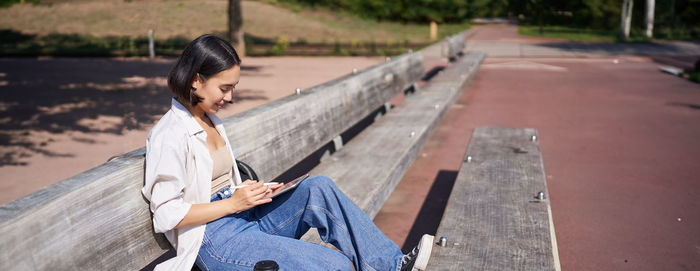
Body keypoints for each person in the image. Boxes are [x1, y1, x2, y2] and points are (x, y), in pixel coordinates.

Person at [142, 34, 433, 271]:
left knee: (317, 188)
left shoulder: (209, 119)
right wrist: (233, 203)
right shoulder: (170, 134)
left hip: (243, 218)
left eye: (234, 87)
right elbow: (167, 215)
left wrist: (246, 191)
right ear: (196, 80)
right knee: (336, 266)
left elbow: (213, 185)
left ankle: (391, 266)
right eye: (225, 88)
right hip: (214, 240)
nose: (230, 97)